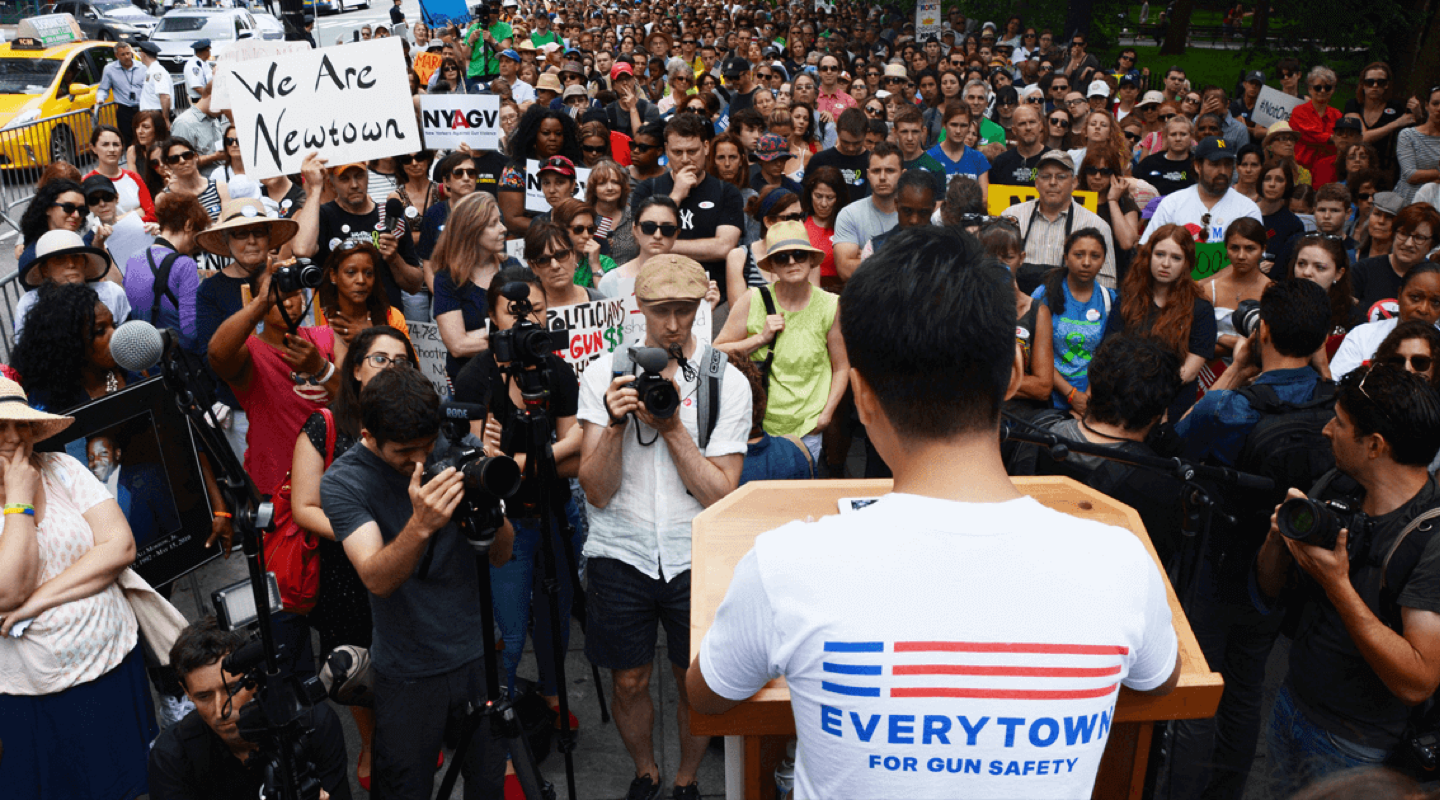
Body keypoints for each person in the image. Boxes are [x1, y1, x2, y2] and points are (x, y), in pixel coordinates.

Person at [687, 223, 1179, 797]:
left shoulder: (784, 565)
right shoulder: (1120, 562)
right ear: (1013, 374)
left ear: (862, 396)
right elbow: (1160, 680)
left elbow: (707, 695)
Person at [578, 254, 750, 800]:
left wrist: (674, 428)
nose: (673, 324)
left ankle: (686, 779)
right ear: (639, 306)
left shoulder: (725, 381)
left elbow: (721, 495)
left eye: (684, 309)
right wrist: (613, 425)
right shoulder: (603, 374)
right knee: (628, 679)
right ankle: (645, 772)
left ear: (701, 306)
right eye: (660, 310)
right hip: (619, 548)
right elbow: (596, 490)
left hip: (694, 551)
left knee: (692, 680)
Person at [1167, 278, 1334, 800]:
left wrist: (1237, 369)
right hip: (1285, 567)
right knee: (1245, 689)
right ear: (1322, 340)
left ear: (1261, 332)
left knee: (1200, 687)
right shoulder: (1338, 410)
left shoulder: (1231, 408)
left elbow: (1177, 442)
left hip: (1218, 563)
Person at [320, 366, 510, 797]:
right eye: (404, 452)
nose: (420, 460)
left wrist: (490, 504)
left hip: (478, 654)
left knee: (487, 784)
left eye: (427, 446)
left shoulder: (459, 447)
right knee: (405, 788)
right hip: (408, 670)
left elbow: (501, 555)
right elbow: (376, 578)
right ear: (369, 435)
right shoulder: (344, 481)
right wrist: (421, 525)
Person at [1254, 364, 1440, 794]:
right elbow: (1268, 589)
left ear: (1374, 445)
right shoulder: (1339, 485)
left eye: (1339, 422)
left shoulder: (1430, 537)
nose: (1326, 430)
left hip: (1357, 747)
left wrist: (1338, 585)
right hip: (1291, 704)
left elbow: (1419, 679)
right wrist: (1278, 537)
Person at [0, 376, 155, 800]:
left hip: (113, 663)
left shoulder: (63, 468)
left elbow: (120, 546)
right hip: (36, 694)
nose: (13, 437)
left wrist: (37, 602)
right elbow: (8, 592)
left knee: (134, 786)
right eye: (0, 427)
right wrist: (18, 499)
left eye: (21, 424)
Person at [451, 269, 585, 744]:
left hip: (557, 512)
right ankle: (501, 719)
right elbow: (478, 466)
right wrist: (547, 456)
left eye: (537, 310)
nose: (527, 321)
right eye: (515, 312)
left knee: (556, 613)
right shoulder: (475, 377)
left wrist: (516, 462)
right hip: (505, 522)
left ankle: (552, 693)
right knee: (508, 626)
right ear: (492, 318)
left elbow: (577, 452)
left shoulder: (557, 371)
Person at [288, 326, 414, 790]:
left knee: (404, 648)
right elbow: (304, 507)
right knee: (358, 658)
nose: (390, 369)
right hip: (346, 567)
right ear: (356, 369)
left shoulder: (417, 421)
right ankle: (370, 741)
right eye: (380, 359)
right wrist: (362, 533)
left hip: (405, 559)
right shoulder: (324, 424)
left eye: (401, 361)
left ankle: (409, 733)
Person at [146, 618, 352, 800]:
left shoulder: (314, 723)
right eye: (204, 696)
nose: (221, 710)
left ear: (257, 678)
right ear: (186, 692)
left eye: (232, 689)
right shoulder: (172, 757)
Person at [714, 221, 848, 461]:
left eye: (799, 254)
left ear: (811, 260)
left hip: (808, 426)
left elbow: (841, 367)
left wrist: (825, 415)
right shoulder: (753, 299)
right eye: (782, 257)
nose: (792, 262)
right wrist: (760, 339)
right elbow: (716, 351)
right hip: (758, 425)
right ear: (773, 266)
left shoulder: (829, 305)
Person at [630, 113, 745, 302]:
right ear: (666, 150)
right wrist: (676, 195)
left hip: (712, 296)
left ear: (706, 147)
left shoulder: (727, 191)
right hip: (657, 294)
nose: (685, 159)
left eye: (692, 151)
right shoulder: (647, 189)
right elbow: (638, 239)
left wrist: (659, 246)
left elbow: (724, 247)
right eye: (677, 152)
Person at [293, 156, 422, 315]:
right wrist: (315, 189)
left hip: (384, 320)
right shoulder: (322, 216)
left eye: (359, 176)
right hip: (338, 322)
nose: (354, 185)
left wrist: (394, 258)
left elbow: (415, 286)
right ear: (331, 182)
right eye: (344, 179)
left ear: (368, 176)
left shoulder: (389, 217)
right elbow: (301, 250)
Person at [432, 192, 524, 380]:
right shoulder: (447, 279)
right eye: (493, 224)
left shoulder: (512, 266)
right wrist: (507, 335)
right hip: (470, 380)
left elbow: (527, 323)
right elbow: (458, 346)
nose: (503, 228)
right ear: (471, 231)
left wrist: (478, 335)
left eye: (500, 221)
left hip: (513, 377)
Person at [1004, 150, 1119, 288]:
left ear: (1074, 182)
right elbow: (994, 268)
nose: (1053, 182)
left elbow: (1106, 284)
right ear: (1037, 183)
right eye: (1046, 176)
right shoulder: (1011, 217)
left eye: (1061, 177)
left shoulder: (1096, 225)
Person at [1032, 228, 1118, 412]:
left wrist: (1088, 397)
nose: (1086, 262)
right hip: (1047, 400)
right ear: (1066, 257)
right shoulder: (1045, 294)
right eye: (1079, 255)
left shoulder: (1109, 300)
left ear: (1103, 261)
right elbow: (1034, 350)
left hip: (1092, 400)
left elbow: (1109, 356)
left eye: (1095, 256)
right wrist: (1071, 394)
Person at [123, 192, 210, 351]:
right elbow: (190, 330)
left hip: (145, 355)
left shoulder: (133, 260)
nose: (196, 243)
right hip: (178, 357)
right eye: (197, 232)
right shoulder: (185, 265)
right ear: (189, 225)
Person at [1143, 137, 1263, 246]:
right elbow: (1147, 248)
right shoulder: (1172, 204)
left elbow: (1255, 256)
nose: (1223, 171)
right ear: (1198, 166)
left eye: (1227, 165)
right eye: (1215, 164)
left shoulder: (1247, 209)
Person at [1332, 263, 1440, 379]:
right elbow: (1338, 384)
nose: (1423, 309)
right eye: (1415, 297)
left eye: (1436, 302)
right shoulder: (1362, 336)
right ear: (1399, 295)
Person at [1350, 203, 1440, 322]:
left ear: (1432, 245)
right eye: (1403, 234)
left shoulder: (1436, 280)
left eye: (1419, 238)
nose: (1408, 243)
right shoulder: (1362, 271)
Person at [1201, 218, 1273, 359]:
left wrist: (1219, 337)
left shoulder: (1272, 292)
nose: (1241, 256)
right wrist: (1242, 345)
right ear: (1226, 249)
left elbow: (1270, 347)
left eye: (1250, 248)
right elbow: (1196, 341)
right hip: (1208, 368)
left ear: (1263, 249)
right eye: (1234, 248)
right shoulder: (1210, 289)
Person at [831, 141, 903, 282]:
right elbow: (845, 270)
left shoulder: (915, 215)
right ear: (868, 174)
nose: (882, 177)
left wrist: (868, 257)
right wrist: (901, 260)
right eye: (876, 171)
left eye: (890, 170)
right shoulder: (849, 214)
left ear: (902, 174)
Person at [84, 125, 156, 223]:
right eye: (105, 144)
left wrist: (116, 220)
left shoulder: (133, 177)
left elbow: (151, 215)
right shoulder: (86, 181)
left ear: (122, 147)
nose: (112, 149)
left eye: (116, 144)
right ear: (93, 148)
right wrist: (136, 213)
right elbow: (89, 223)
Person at [806, 107, 871, 202]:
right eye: (845, 142)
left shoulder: (872, 162)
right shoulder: (820, 160)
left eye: (857, 143)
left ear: (866, 133)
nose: (851, 148)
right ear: (837, 131)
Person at [925, 100, 991, 195]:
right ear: (944, 124)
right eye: (954, 125)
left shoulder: (979, 158)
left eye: (963, 125)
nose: (958, 131)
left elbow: (984, 198)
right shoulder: (929, 158)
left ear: (969, 126)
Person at [1288, 66, 1342, 178]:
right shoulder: (1299, 111)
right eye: (1318, 87)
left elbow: (1341, 142)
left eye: (1327, 87)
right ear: (1310, 89)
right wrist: (1333, 138)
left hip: (1328, 171)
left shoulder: (1337, 115)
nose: (1322, 91)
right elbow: (1310, 135)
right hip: (1301, 170)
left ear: (1332, 90)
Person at [1256, 159, 1307, 274]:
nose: (1272, 184)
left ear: (1287, 185)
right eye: (1267, 179)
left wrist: (1276, 267)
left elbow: (1293, 264)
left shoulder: (1294, 224)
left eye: (1279, 180)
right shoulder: (1246, 212)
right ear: (1261, 182)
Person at [800, 166, 846, 292]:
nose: (824, 204)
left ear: (838, 198)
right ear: (810, 194)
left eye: (830, 198)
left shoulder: (847, 225)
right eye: (818, 196)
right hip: (805, 291)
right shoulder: (799, 223)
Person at [1393, 86, 1440, 205]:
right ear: (1427, 106)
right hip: (1406, 203)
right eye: (1435, 103)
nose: (1439, 108)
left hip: (1434, 205)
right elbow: (1410, 175)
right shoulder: (1408, 135)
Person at [97, 42, 146, 149]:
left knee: (144, 139)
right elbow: (103, 88)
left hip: (142, 109)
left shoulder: (142, 67)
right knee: (128, 142)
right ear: (116, 56)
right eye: (123, 54)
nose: (127, 57)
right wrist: (100, 99)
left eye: (128, 53)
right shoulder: (110, 69)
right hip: (124, 111)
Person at [587, 160, 635, 264]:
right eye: (602, 183)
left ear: (622, 187)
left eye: (615, 182)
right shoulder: (584, 216)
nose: (609, 188)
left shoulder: (634, 216)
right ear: (593, 189)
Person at [1135, 115, 1196, 196]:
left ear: (1191, 137)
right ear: (1166, 137)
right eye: (1173, 134)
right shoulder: (1148, 164)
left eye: (1183, 134)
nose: (1178, 139)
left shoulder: (1198, 164)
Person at [990, 104, 1047, 187]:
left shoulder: (1053, 160)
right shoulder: (1000, 163)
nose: (1028, 128)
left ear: (1040, 126)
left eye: (1032, 122)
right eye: (1022, 124)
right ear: (1014, 130)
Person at [135, 41, 171, 120]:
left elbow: (165, 97)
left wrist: (165, 118)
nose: (139, 55)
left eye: (140, 52)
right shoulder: (151, 70)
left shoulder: (157, 71)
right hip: (151, 114)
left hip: (156, 114)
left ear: (143, 55)